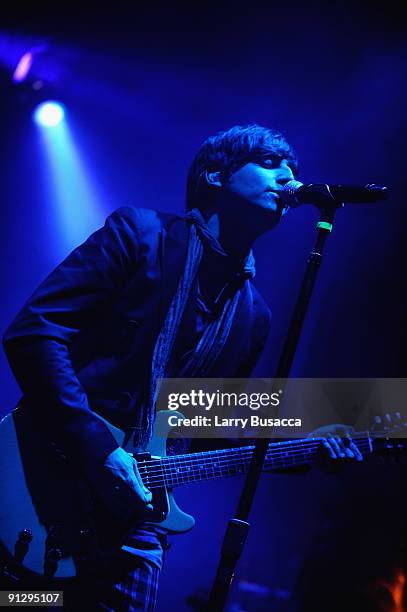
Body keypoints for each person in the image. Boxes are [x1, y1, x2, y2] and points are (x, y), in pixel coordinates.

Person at [2, 124, 356, 610]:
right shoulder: (140, 235)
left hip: (135, 530)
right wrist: (101, 449)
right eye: (272, 164)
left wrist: (306, 446)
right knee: (24, 603)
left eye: (292, 169)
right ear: (214, 176)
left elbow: (208, 428)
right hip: (43, 484)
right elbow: (36, 331)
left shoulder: (254, 315)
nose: (290, 177)